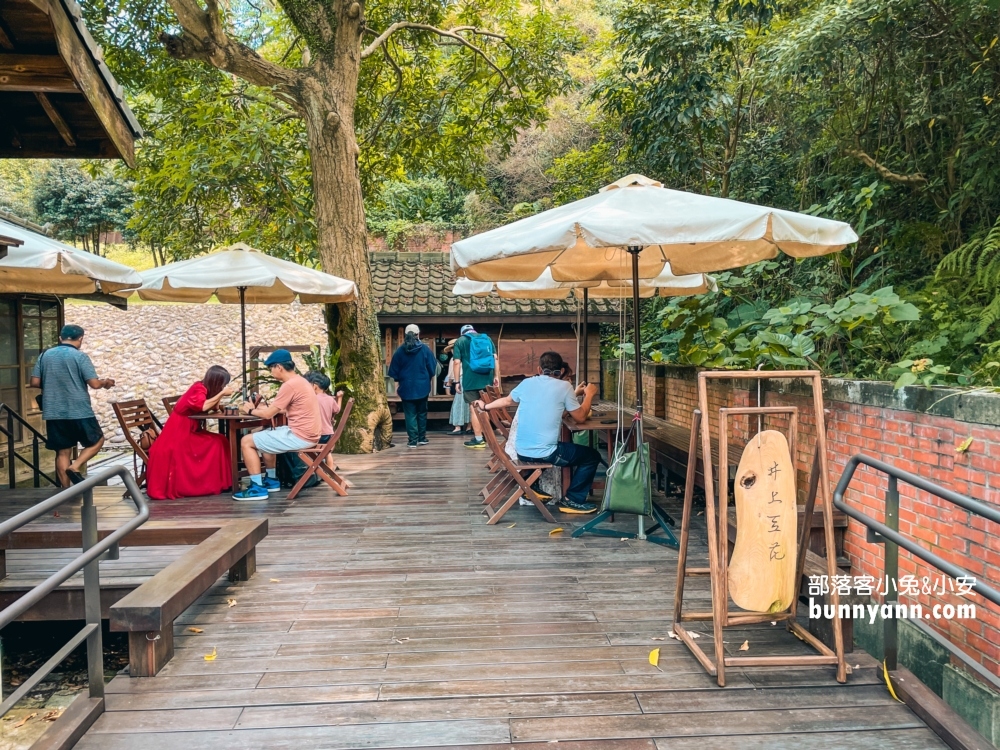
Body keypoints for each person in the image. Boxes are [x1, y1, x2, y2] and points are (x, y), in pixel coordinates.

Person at [476, 351, 601, 514]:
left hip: (521, 451)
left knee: (562, 449)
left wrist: (485, 406)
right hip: (544, 453)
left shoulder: (527, 383)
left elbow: (507, 401)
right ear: (561, 371)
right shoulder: (564, 386)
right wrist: (589, 395)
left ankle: (532, 484)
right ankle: (573, 500)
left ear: (539, 369)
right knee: (592, 456)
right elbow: (581, 417)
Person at [29, 324, 114, 487]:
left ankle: (66, 492)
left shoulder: (45, 355)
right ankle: (75, 467)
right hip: (79, 409)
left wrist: (54, 384)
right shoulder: (80, 357)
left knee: (62, 451)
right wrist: (106, 382)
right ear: (80, 338)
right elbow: (94, 384)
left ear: (60, 338)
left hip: (53, 410)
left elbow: (34, 382)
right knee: (97, 440)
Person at [233, 349, 321, 500]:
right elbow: (282, 409)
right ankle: (272, 481)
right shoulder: (301, 381)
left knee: (246, 441)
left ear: (279, 367)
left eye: (271, 368)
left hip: (301, 436)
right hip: (309, 434)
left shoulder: (290, 385)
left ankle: (256, 488)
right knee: (268, 432)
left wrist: (251, 410)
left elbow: (268, 414)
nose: (271, 372)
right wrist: (263, 409)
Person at [146, 366, 235, 500]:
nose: (223, 386)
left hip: (189, 429)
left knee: (221, 439)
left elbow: (214, 406)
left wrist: (218, 395)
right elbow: (203, 406)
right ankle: (213, 482)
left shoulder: (205, 389)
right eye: (222, 384)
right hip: (179, 432)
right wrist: (221, 394)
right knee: (216, 443)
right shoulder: (198, 389)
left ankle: (224, 482)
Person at [387, 324, 437, 448]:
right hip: (422, 386)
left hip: (406, 387)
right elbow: (432, 368)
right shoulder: (425, 349)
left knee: (410, 414)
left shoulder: (399, 351)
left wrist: (398, 384)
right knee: (422, 413)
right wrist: (428, 379)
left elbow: (394, 371)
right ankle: (422, 438)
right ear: (418, 334)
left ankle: (412, 440)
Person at [453, 324, 498, 449]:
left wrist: (457, 382)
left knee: (474, 409)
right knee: (485, 407)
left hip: (470, 381)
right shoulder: (487, 339)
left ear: (463, 333)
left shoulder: (460, 341)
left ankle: (478, 439)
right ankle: (487, 436)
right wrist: (496, 376)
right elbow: (495, 358)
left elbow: (457, 362)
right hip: (487, 379)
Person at [304, 371, 344, 443]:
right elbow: (337, 410)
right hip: (327, 436)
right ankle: (327, 454)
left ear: (315, 386)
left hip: (314, 436)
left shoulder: (311, 399)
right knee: (324, 450)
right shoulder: (330, 399)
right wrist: (340, 398)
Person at [443, 339, 470, 435]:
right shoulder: (468, 356)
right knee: (469, 403)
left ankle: (457, 427)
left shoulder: (454, 359)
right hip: (469, 380)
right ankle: (469, 426)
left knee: (458, 404)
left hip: (461, 381)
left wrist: (449, 383)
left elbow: (451, 373)